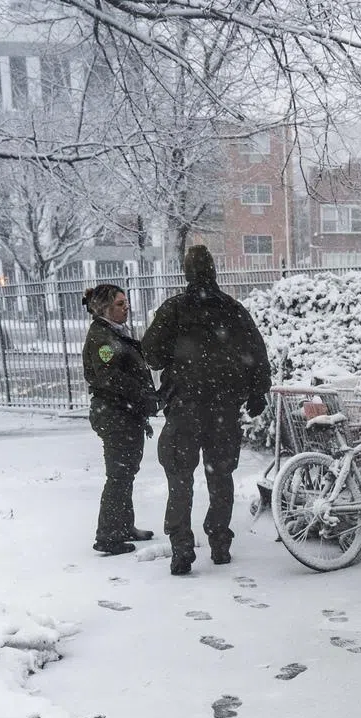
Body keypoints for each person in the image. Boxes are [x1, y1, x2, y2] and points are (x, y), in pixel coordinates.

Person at [141, 245, 271, 575]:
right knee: (220, 475)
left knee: (180, 478)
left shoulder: (173, 310)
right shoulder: (233, 310)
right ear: (214, 270)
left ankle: (182, 546)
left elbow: (152, 355)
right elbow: (257, 353)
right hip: (224, 408)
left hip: (185, 406)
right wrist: (257, 393)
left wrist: (179, 357)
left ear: (186, 273)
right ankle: (219, 541)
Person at [82, 283, 158, 556]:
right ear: (104, 307)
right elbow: (111, 378)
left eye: (126, 303)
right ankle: (108, 535)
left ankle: (124, 526)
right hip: (115, 414)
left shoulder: (113, 333)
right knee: (119, 475)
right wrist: (143, 397)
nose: (126, 308)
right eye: (119, 304)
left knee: (126, 472)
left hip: (125, 412)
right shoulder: (102, 338)